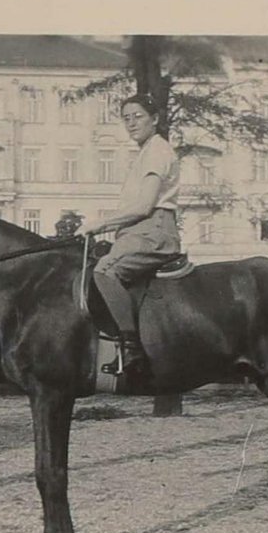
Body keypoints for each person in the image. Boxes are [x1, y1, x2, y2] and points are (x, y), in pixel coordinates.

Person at [81, 94, 182, 374]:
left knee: (105, 271)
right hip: (138, 231)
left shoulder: (157, 151)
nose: (132, 123)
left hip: (153, 230)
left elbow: (143, 206)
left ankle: (131, 348)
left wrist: (98, 225)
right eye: (126, 118)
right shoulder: (145, 152)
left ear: (155, 119)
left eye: (138, 116)